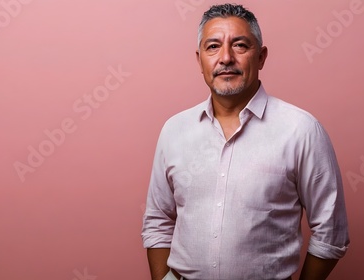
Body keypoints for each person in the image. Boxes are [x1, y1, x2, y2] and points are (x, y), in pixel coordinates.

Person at [142, 3, 350, 280]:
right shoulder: (174, 130)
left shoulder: (301, 130)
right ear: (199, 59)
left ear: (261, 57)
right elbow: (157, 221)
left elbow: (331, 231)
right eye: (213, 46)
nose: (225, 58)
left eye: (240, 45)